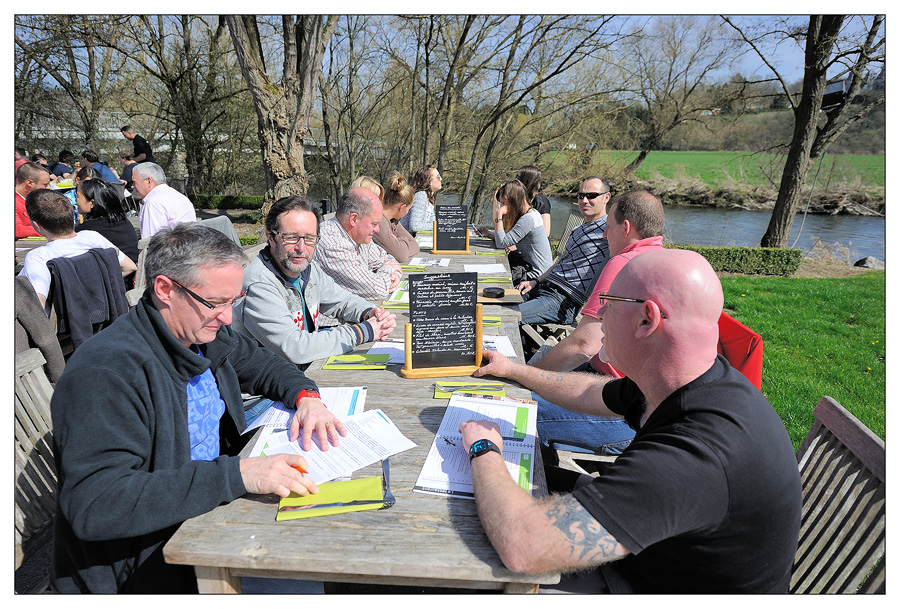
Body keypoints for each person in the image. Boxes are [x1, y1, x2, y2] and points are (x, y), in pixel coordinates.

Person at [462, 248, 802, 593]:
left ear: (646, 320)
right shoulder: (684, 380)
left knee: (466, 562)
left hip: (635, 582)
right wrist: (515, 370)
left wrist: (483, 448)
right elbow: (589, 394)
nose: (599, 312)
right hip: (654, 555)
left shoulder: (699, 452)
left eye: (608, 301)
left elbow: (525, 547)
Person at [50, 223, 346, 593]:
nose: (226, 318)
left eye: (232, 301)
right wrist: (236, 475)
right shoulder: (106, 373)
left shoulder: (200, 332)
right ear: (165, 289)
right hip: (146, 564)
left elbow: (262, 364)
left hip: (209, 513)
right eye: (216, 303)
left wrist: (307, 398)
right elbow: (97, 504)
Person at [521, 190, 667, 456]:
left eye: (608, 227)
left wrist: (527, 377)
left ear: (626, 228)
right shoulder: (665, 262)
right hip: (645, 409)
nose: (603, 235)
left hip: (626, 418)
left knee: (510, 410)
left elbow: (584, 344)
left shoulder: (624, 263)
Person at [234, 194, 397, 368]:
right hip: (265, 390)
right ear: (271, 237)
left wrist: (371, 313)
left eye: (310, 238)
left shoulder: (307, 270)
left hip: (305, 371)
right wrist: (364, 332)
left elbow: (342, 300)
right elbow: (296, 348)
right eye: (291, 237)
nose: (301, 248)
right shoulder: (259, 285)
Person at [17, 189, 136, 314]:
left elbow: (37, 306)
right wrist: (94, 286)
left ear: (37, 225)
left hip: (62, 327)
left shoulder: (38, 257)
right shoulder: (93, 237)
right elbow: (129, 267)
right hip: (100, 316)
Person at [516, 176, 612, 326]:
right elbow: (561, 262)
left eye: (591, 195)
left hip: (563, 302)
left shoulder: (609, 232)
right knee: (498, 305)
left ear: (606, 197)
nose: (584, 200)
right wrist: (535, 281)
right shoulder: (577, 229)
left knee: (507, 317)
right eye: (581, 196)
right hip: (544, 288)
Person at [313, 187, 402, 305]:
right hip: (335, 322)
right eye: (374, 224)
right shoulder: (331, 244)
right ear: (354, 219)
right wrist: (389, 270)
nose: (377, 229)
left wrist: (394, 273)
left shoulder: (359, 236)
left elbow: (389, 260)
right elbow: (378, 289)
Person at [477, 179, 552, 285]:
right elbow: (507, 240)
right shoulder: (532, 213)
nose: (503, 206)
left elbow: (501, 243)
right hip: (533, 270)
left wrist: (499, 214)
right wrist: (488, 234)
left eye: (504, 203)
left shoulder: (528, 219)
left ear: (512, 200)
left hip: (535, 277)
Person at [74, 178, 140, 289]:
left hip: (111, 286)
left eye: (78, 196)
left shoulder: (87, 230)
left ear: (92, 203)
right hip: (128, 281)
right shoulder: (122, 221)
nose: (76, 201)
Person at [132, 162, 197, 238]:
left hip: (173, 248)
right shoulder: (179, 196)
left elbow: (151, 241)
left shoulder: (153, 202)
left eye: (134, 182)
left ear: (149, 181)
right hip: (190, 246)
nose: (132, 186)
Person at [373, 171, 419, 264]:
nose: (407, 212)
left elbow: (414, 245)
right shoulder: (378, 222)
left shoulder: (393, 220)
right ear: (402, 207)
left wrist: (398, 243)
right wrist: (401, 243)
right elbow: (401, 256)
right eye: (409, 208)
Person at [400, 164, 441, 235]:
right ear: (429, 181)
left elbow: (432, 223)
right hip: (406, 240)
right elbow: (415, 226)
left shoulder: (429, 198)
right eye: (438, 177)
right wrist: (440, 226)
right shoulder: (420, 196)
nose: (441, 179)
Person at [15, 161, 50, 239]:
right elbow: (17, 230)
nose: (48, 188)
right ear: (30, 183)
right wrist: (52, 230)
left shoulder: (34, 198)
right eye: (45, 184)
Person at [516, 165, 551, 237]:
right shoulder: (521, 199)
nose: (515, 180)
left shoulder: (541, 201)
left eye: (518, 177)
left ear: (526, 181)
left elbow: (545, 232)